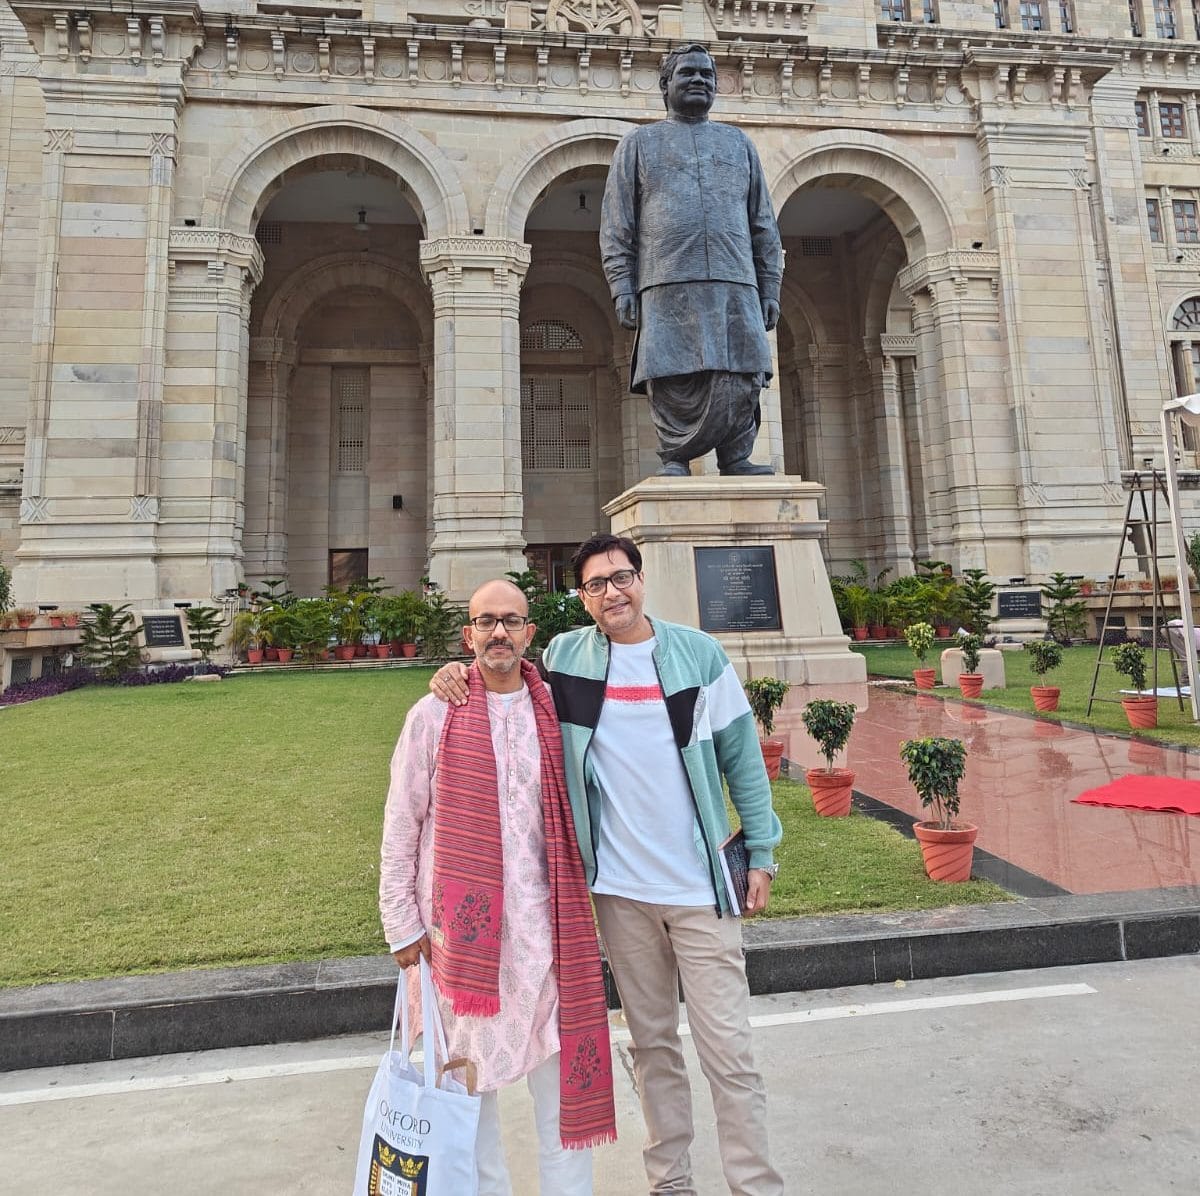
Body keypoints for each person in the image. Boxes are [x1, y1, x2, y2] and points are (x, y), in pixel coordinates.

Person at [432, 538, 784, 1195]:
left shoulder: (697, 656)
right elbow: (503, 669)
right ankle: (671, 1182)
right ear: (583, 598)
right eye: (596, 585)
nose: (611, 592)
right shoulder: (568, 658)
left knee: (729, 1056)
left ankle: (754, 1186)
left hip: (700, 891)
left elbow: (742, 758)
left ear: (640, 580)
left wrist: (759, 850)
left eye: (621, 577)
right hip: (621, 897)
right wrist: (455, 675)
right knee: (654, 1052)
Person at [380, 578, 616, 1195]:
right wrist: (400, 921)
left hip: (549, 938)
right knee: (466, 1101)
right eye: (486, 622)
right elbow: (402, 821)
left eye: (511, 621)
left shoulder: (555, 714)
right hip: (462, 948)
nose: (499, 633)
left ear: (530, 634)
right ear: (468, 635)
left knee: (561, 1103)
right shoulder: (433, 715)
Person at [599, 43, 784, 478]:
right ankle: (675, 457)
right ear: (666, 85)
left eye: (707, 75)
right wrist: (622, 285)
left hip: (735, 279)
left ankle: (736, 455)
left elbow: (763, 222)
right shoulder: (639, 143)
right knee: (672, 371)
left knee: (743, 371)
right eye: (689, 74)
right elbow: (617, 223)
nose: (700, 80)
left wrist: (770, 286)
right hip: (666, 280)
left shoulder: (738, 143)